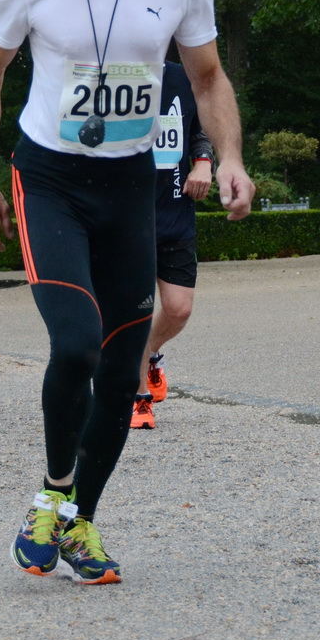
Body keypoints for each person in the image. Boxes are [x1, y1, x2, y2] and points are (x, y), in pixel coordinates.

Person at [0, 0, 253, 584]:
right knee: (76, 343)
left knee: (123, 371)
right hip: (51, 180)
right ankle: (51, 491)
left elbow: (208, 76)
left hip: (132, 185)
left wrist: (229, 156)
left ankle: (78, 519)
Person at [129, 61, 214, 430]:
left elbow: (200, 129)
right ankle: (138, 399)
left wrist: (204, 163)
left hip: (176, 212)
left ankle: (148, 354)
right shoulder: (114, 74)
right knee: (135, 312)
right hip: (128, 219)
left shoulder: (184, 76)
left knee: (179, 309)